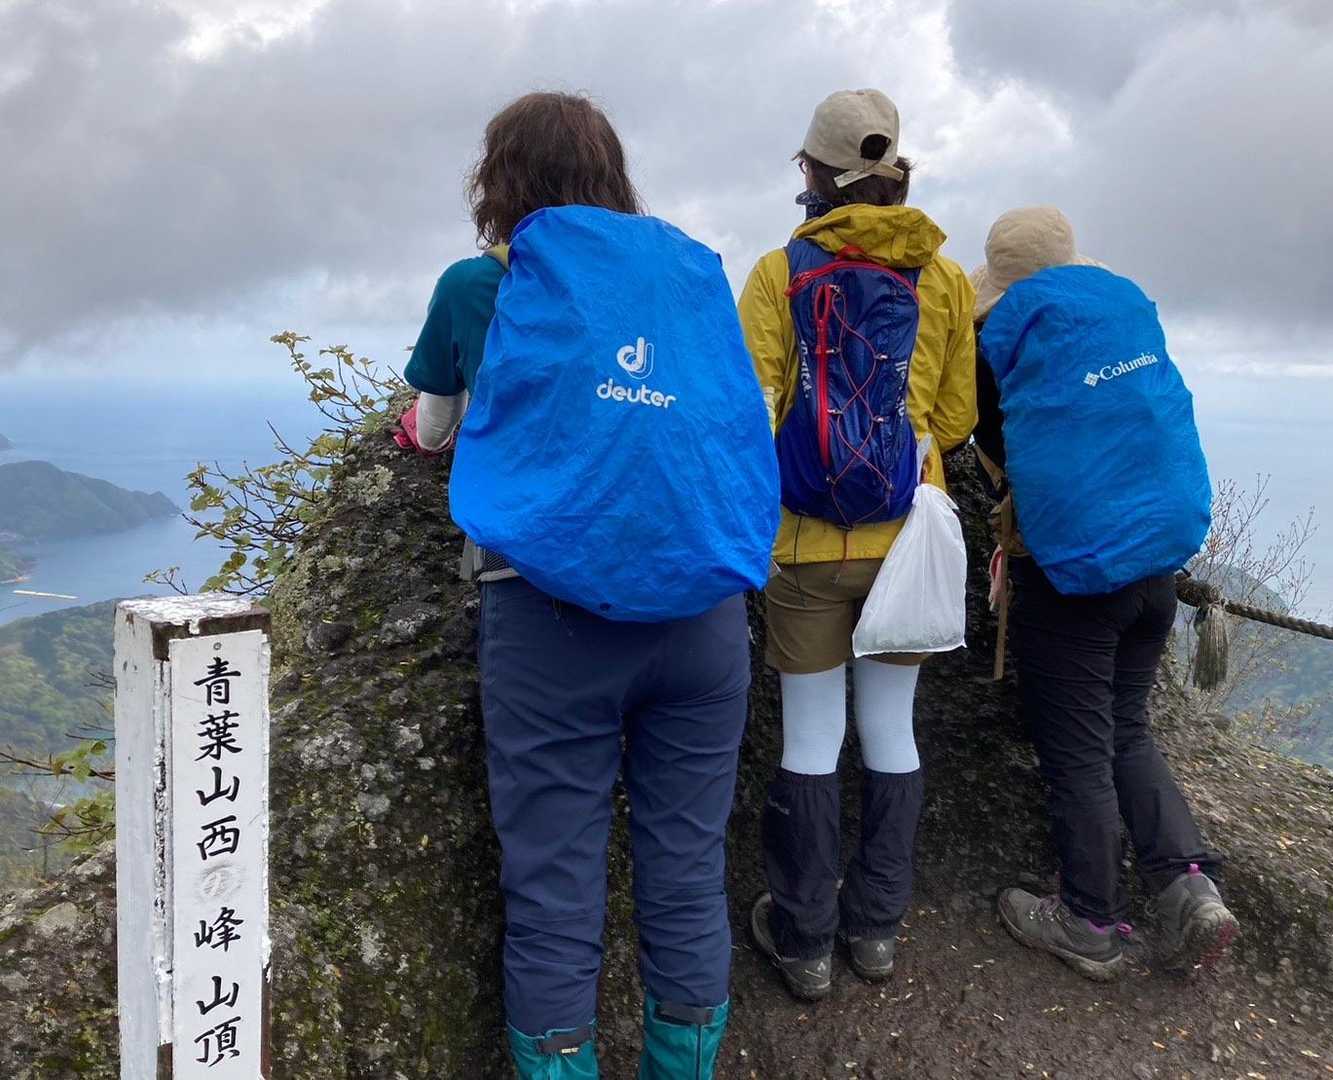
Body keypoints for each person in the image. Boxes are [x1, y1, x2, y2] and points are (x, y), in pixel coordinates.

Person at [401, 92, 777, 1079]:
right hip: (703, 614)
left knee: (555, 889)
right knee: (687, 874)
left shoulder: (480, 284)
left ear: (499, 182)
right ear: (612, 177)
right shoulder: (689, 274)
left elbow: (432, 427)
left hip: (550, 624)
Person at [738, 88, 977, 1001]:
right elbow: (954, 416)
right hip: (906, 542)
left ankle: (804, 941)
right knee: (890, 727)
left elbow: (754, 408)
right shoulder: (943, 277)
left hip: (804, 542)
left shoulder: (778, 272)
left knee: (810, 736)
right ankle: (875, 930)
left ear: (813, 171)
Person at [969, 206, 1239, 982]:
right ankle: (1189, 887)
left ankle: (1089, 919)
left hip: (1075, 581)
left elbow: (988, 439)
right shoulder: (1121, 316)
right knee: (1127, 728)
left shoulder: (1002, 340)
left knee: (1078, 752)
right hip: (1155, 567)